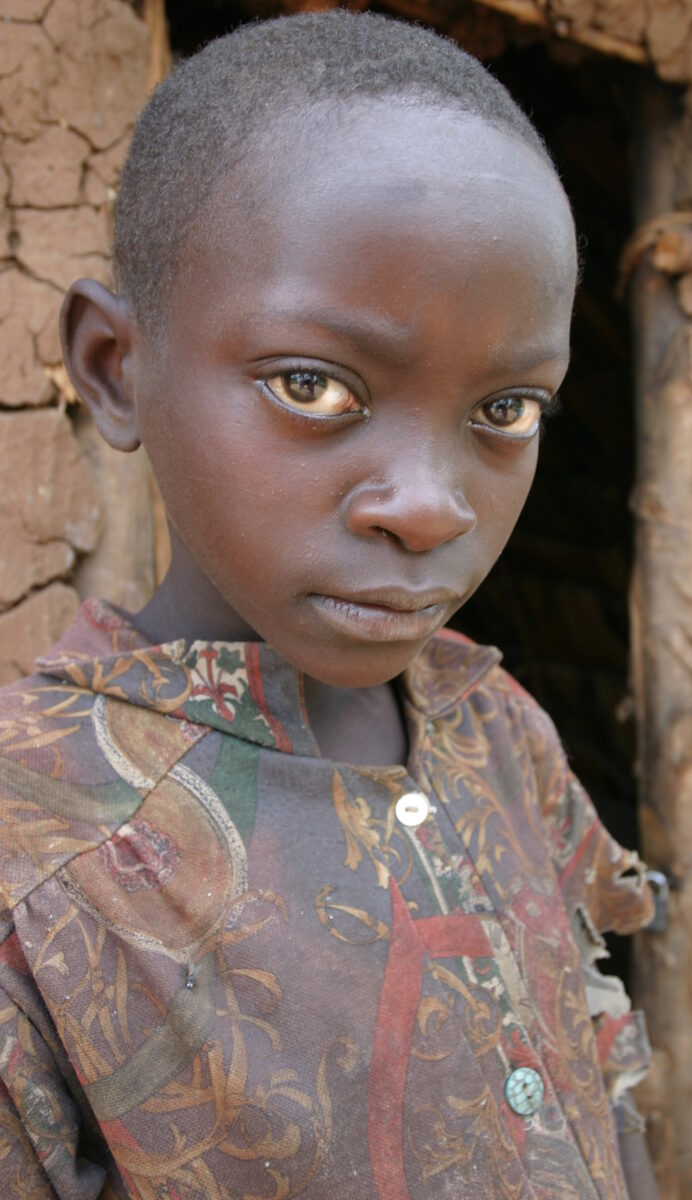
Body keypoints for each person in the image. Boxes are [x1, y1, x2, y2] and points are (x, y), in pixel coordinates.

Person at [0, 12, 658, 1199]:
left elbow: (600, 1075)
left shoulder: (495, 726)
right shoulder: (33, 855)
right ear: (113, 366)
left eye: (506, 410)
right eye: (313, 385)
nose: (427, 507)